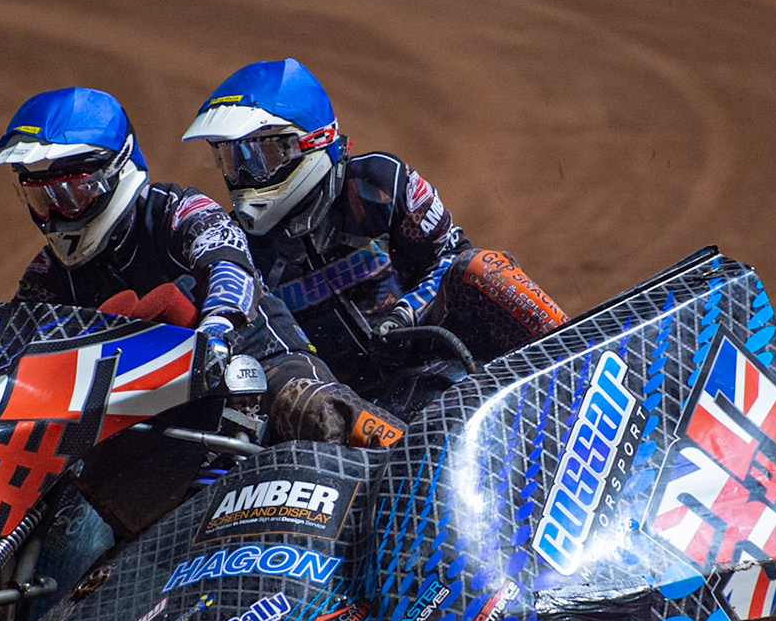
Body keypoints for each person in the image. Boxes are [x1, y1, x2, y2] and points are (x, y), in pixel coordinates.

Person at [0, 87, 407, 448]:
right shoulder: (47, 274)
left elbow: (228, 262)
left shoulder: (178, 212)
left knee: (317, 412)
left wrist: (216, 329)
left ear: (113, 173)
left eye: (72, 193)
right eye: (43, 199)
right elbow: (12, 344)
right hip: (136, 415)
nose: (59, 212)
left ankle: (414, 466)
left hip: (256, 364)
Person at [180, 58, 568, 393]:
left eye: (257, 156)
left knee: (485, 269)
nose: (244, 175)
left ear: (311, 143)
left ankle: (580, 359)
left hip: (441, 360)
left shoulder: (380, 183)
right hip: (346, 406)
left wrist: (404, 312)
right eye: (232, 160)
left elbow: (453, 257)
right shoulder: (233, 245)